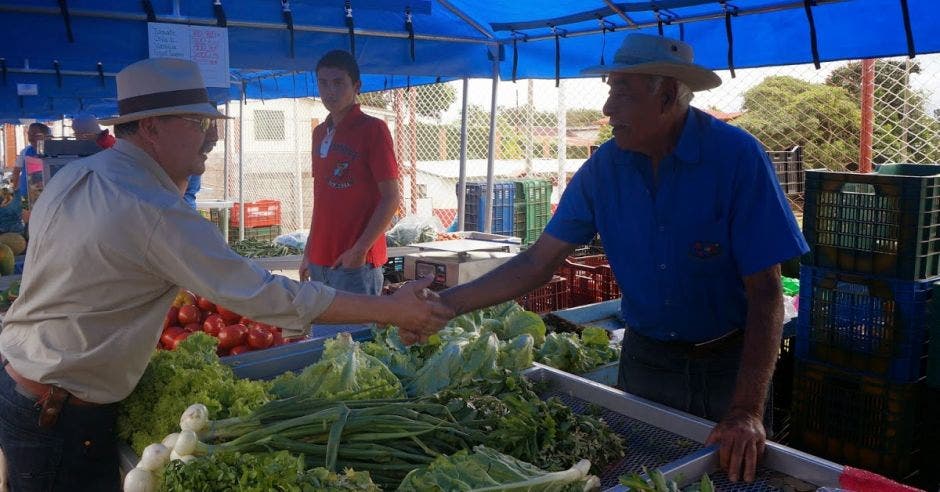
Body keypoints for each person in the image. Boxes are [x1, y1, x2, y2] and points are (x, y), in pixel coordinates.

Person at [0, 57, 452, 491]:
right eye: (197, 124)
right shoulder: (151, 209)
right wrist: (391, 309)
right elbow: (265, 297)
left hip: (24, 388)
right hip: (60, 414)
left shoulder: (76, 177)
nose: (210, 137)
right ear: (153, 127)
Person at [437, 34, 808, 483]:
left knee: (727, 479)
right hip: (646, 361)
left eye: (621, 93)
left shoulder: (736, 158)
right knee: (642, 476)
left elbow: (766, 291)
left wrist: (747, 410)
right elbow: (538, 263)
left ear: (667, 96)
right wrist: (446, 305)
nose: (608, 108)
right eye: (610, 91)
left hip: (728, 365)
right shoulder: (603, 169)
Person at [299, 50, 401, 296]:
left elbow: (392, 198)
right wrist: (308, 251)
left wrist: (360, 250)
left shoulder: (373, 130)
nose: (330, 91)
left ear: (356, 86)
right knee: (324, 335)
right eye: (323, 83)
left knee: (358, 335)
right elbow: (321, 198)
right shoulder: (319, 133)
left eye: (338, 83)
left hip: (355, 263)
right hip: (320, 259)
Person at [12, 122, 49, 194]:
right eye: (29, 134)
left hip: (47, 194)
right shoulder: (25, 151)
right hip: (26, 194)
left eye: (35, 134)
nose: (31, 137)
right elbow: (16, 171)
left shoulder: (54, 151)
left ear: (45, 136)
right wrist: (15, 189)